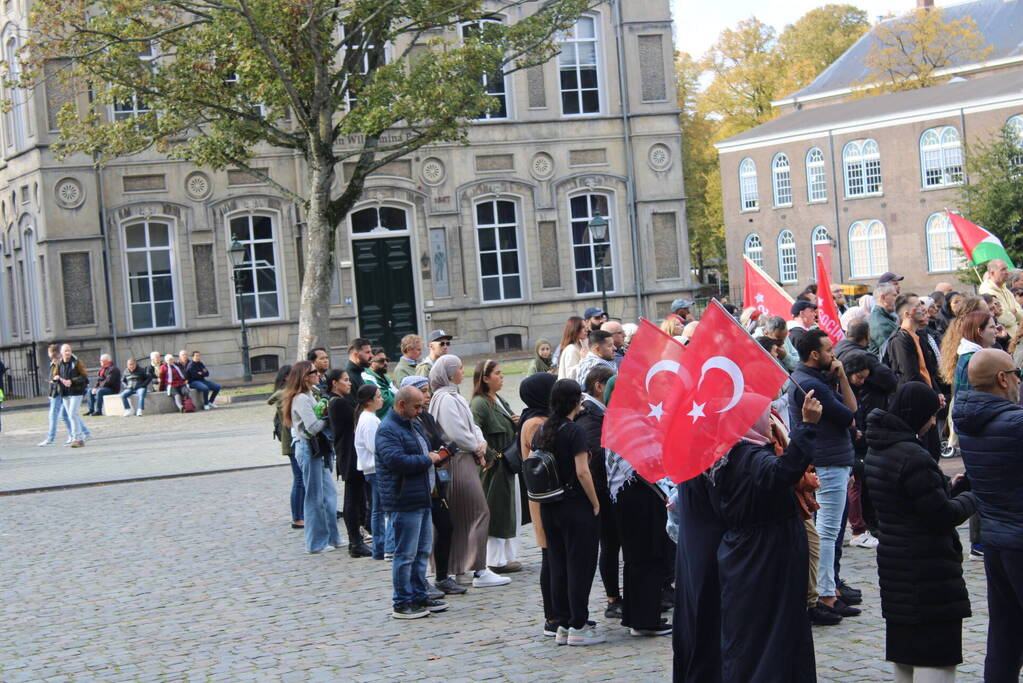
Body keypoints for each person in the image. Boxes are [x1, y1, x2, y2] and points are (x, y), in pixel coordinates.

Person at [865, 381, 977, 683]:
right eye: (930, 415)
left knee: (905, 657)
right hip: (928, 573)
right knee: (936, 659)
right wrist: (972, 497)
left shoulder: (880, 449)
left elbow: (909, 503)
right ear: (917, 414)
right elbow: (941, 516)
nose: (932, 422)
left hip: (897, 569)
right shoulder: (913, 456)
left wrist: (950, 488)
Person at [712, 391, 822, 682]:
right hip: (765, 553)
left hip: (750, 550)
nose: (771, 421)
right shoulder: (749, 456)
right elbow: (782, 472)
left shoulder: (730, 451)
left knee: (756, 628)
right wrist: (807, 425)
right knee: (769, 629)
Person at [953, 348, 1023, 681]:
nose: (1018, 382)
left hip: (996, 538)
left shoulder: (968, 421)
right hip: (1019, 538)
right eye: (1016, 374)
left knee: (1005, 633)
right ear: (1002, 378)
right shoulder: (1014, 423)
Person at [788, 330, 861, 620]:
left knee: (828, 532)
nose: (835, 356)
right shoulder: (809, 384)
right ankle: (825, 595)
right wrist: (842, 378)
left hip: (833, 459)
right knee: (828, 533)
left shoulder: (814, 379)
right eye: (830, 350)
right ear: (815, 355)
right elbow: (850, 413)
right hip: (827, 461)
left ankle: (829, 590)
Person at [532, 379, 604, 646]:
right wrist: (595, 502)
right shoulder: (574, 431)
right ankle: (579, 625)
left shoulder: (543, 429)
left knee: (558, 565)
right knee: (580, 566)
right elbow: (583, 471)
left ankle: (562, 623)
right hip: (575, 505)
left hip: (550, 505)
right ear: (576, 402)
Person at [428, 355, 510, 588]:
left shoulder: (453, 396)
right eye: (459, 368)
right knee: (479, 511)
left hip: (464, 457)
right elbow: (455, 432)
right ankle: (479, 569)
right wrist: (476, 446)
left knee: (463, 516)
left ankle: (462, 567)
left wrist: (480, 442)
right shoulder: (444, 399)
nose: (463, 372)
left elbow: (471, 426)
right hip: (457, 460)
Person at [375, 385, 449, 619]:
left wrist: (435, 457)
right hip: (403, 498)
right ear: (401, 405)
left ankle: (419, 594)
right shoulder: (387, 429)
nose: (420, 410)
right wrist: (428, 459)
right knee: (405, 554)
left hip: (422, 495)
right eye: (416, 406)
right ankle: (402, 601)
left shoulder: (413, 423)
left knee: (422, 551)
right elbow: (396, 461)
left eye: (421, 406)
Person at [400, 375, 466, 597]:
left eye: (427, 392)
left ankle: (442, 576)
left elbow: (437, 440)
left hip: (437, 480)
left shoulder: (426, 418)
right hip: (419, 484)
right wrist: (432, 456)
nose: (427, 397)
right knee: (419, 537)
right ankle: (420, 582)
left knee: (445, 526)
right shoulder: (403, 423)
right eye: (423, 392)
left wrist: (445, 451)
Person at [574, 366, 623, 621]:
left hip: (606, 492)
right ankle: (613, 598)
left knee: (612, 545)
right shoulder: (591, 416)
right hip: (603, 494)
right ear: (599, 386)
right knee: (610, 545)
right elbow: (595, 460)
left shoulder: (596, 412)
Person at [282, 360, 341, 554]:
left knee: (329, 494)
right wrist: (328, 417)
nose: (318, 374)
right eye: (314, 372)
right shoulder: (300, 398)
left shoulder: (310, 394)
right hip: (308, 447)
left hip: (318, 448)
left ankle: (333, 537)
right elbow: (313, 426)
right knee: (314, 497)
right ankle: (316, 543)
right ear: (305, 377)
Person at [470, 360, 522, 574]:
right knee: (496, 511)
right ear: (485, 378)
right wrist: (491, 455)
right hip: (494, 466)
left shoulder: (497, 398)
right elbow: (474, 432)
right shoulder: (479, 404)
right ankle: (495, 559)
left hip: (507, 462)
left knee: (509, 509)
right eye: (498, 374)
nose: (502, 377)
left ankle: (507, 557)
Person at [519, 372, 559, 636]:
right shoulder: (535, 423)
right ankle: (552, 616)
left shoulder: (541, 418)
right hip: (545, 497)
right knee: (550, 557)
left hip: (549, 496)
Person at [325, 368, 369, 557]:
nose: (349, 383)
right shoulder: (338, 403)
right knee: (352, 499)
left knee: (358, 498)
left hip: (350, 453)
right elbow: (356, 422)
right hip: (349, 455)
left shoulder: (341, 401)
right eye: (345, 380)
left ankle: (358, 538)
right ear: (334, 383)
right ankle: (355, 542)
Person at [355, 384, 393, 561]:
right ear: (369, 401)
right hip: (375, 469)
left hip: (372, 468)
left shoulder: (369, 417)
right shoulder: (369, 420)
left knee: (378, 508)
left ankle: (380, 546)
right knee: (383, 509)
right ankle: (384, 545)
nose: (382, 399)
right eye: (378, 397)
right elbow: (375, 447)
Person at [269, 364, 303, 530]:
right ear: (286, 378)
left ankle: (301, 514)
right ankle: (297, 517)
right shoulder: (284, 396)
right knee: (299, 479)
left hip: (293, 442)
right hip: (291, 443)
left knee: (301, 479)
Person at [886, 294, 940, 392]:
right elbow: (910, 376)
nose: (924, 309)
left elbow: (927, 371)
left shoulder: (920, 335)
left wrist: (937, 394)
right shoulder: (900, 340)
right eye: (918, 306)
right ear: (907, 314)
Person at [38, 344, 75, 446]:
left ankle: (51, 438)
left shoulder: (59, 363)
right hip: (57, 392)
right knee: (66, 415)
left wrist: (54, 379)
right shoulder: (55, 363)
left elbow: (57, 377)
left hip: (58, 392)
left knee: (56, 415)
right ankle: (78, 433)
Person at [53, 344, 89, 448]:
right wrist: (56, 378)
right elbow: (55, 375)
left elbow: (84, 376)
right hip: (65, 393)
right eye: (65, 351)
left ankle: (77, 438)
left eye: (69, 350)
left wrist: (72, 381)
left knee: (73, 414)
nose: (68, 353)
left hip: (77, 392)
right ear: (61, 353)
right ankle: (78, 438)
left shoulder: (77, 362)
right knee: (70, 415)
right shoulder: (59, 363)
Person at [979, 258, 1023, 339]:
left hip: (1016, 337)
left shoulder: (1006, 290)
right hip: (1003, 338)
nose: (1007, 272)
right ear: (992, 273)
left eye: (1006, 269)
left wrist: (1014, 311)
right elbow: (1003, 319)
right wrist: (1013, 314)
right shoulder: (987, 291)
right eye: (1003, 270)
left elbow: (1021, 314)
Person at [868, 282, 899, 357]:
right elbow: (893, 353)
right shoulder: (881, 323)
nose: (897, 299)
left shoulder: (884, 317)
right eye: (894, 295)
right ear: (883, 298)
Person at [556, 316, 587, 380]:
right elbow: (571, 376)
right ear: (575, 329)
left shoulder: (580, 345)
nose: (586, 329)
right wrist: (583, 360)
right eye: (583, 327)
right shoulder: (571, 349)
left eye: (585, 326)